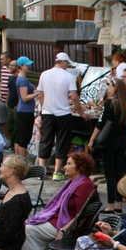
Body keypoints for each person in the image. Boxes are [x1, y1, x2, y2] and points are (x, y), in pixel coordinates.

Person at [12, 151, 97, 250]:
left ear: (80, 167)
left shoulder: (84, 185)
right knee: (22, 226)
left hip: (67, 226)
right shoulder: (73, 182)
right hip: (57, 220)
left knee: (29, 230)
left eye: (69, 164)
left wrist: (63, 230)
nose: (64, 167)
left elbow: (81, 217)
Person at [37, 51, 82, 180]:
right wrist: (81, 112)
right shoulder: (68, 77)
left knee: (45, 140)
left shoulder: (44, 74)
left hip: (47, 112)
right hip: (63, 113)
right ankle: (57, 171)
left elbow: (41, 94)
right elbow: (74, 97)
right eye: (67, 63)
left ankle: (42, 170)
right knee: (62, 141)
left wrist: (44, 107)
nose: (67, 65)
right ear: (63, 62)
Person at [90, 79, 126, 212]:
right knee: (118, 173)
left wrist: (92, 139)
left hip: (108, 141)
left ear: (116, 88)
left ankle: (110, 205)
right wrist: (124, 144)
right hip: (120, 142)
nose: (108, 89)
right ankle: (119, 204)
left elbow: (101, 122)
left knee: (109, 175)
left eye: (110, 86)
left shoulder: (110, 103)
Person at [12, 56, 38, 158]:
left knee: (20, 134)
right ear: (21, 66)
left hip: (23, 110)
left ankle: (17, 157)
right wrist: (37, 93)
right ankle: (23, 159)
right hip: (26, 111)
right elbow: (25, 97)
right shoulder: (22, 80)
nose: (29, 67)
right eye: (27, 65)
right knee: (25, 136)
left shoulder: (21, 78)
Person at [0, 51, 12, 141]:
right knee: (3, 121)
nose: (1, 61)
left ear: (8, 59)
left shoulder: (14, 70)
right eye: (0, 59)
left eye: (3, 59)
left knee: (10, 121)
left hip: (9, 100)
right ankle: (7, 139)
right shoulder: (3, 69)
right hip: (1, 99)